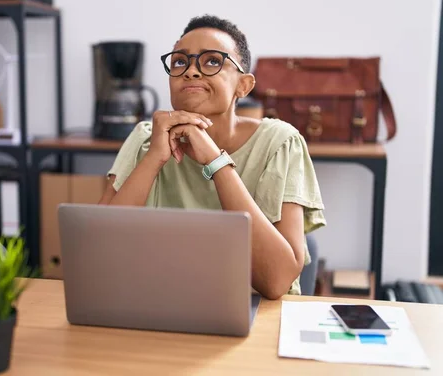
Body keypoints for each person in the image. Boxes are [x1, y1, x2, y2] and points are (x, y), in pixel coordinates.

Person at [98, 15, 326, 299]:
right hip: (159, 301)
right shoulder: (146, 138)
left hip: (253, 312)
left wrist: (217, 163)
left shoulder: (280, 143)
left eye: (212, 61)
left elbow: (276, 280)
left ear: (243, 85)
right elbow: (100, 254)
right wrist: (155, 157)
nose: (191, 72)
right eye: (180, 62)